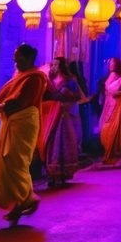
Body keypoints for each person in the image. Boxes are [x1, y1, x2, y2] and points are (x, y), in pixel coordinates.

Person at [0, 44, 48, 225]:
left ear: (28, 59)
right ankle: (23, 199)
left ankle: (26, 199)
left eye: (18, 57)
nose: (15, 60)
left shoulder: (34, 78)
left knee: (16, 161)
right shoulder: (20, 75)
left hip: (24, 123)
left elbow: (17, 103)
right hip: (12, 122)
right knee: (9, 160)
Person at [40, 56, 82, 188]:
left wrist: (66, 96)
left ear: (62, 66)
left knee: (63, 143)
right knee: (50, 144)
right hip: (51, 116)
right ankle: (51, 174)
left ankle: (63, 173)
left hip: (63, 115)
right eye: (53, 64)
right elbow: (45, 96)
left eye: (57, 64)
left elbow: (77, 97)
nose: (54, 67)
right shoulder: (50, 81)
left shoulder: (70, 81)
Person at [99, 57, 121, 165]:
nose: (110, 65)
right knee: (106, 128)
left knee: (113, 128)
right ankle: (110, 153)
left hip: (116, 106)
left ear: (117, 65)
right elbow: (109, 91)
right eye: (110, 63)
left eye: (113, 63)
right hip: (109, 106)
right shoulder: (112, 76)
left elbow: (116, 92)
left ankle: (112, 154)